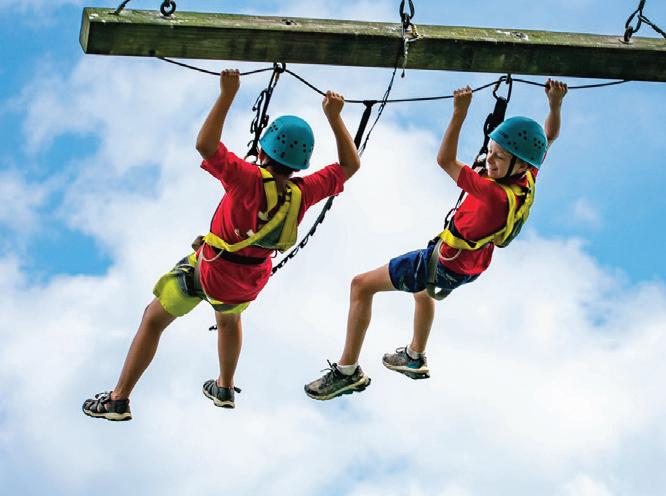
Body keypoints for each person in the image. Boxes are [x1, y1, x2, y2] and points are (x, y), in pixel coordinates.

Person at [83, 69, 361, 420]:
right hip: (249, 281)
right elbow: (350, 164)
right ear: (300, 163)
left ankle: (118, 398)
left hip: (212, 270)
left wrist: (227, 93)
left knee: (153, 319)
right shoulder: (302, 193)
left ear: (262, 150)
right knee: (228, 318)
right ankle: (225, 385)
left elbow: (206, 145)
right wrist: (335, 117)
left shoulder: (246, 179)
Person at [305, 79, 568, 400]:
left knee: (361, 285)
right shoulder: (526, 176)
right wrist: (555, 105)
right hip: (471, 264)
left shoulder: (494, 195)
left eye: (499, 157)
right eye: (490, 151)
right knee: (421, 290)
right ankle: (414, 356)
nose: (489, 160)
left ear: (521, 163)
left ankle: (347, 371)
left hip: (446, 263)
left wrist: (459, 113)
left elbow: (445, 160)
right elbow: (549, 136)